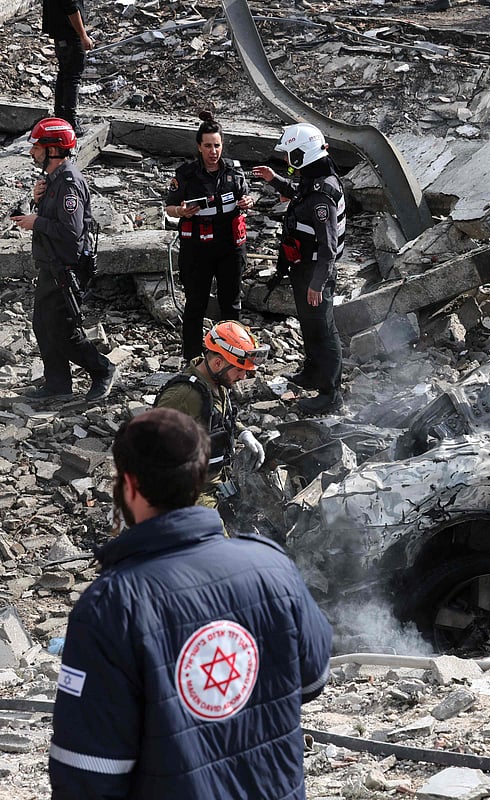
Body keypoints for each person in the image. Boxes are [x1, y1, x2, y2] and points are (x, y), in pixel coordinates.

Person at [48, 407, 333, 798]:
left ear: (128, 485)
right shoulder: (272, 565)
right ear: (198, 478)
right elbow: (312, 679)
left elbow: (87, 771)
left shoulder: (111, 605)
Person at [11, 117, 117, 404]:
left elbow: (71, 232)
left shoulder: (69, 183)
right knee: (42, 326)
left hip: (65, 268)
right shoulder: (53, 180)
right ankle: (58, 383)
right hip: (51, 266)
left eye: (38, 147)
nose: (33, 153)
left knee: (63, 331)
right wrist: (37, 202)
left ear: (54, 150)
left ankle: (103, 369)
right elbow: (54, 217)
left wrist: (37, 222)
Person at [252, 123, 346, 414]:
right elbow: (297, 192)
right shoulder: (315, 177)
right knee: (309, 324)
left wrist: (318, 283)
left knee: (324, 330)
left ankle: (330, 393)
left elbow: (328, 247)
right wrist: (275, 180)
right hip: (302, 267)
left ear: (301, 155)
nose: (287, 161)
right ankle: (312, 371)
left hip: (315, 271)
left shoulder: (322, 196)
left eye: (290, 156)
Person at [164, 112, 253, 361]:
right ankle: (192, 357)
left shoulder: (234, 172)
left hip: (230, 249)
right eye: (208, 146)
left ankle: (231, 354)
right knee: (195, 304)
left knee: (231, 304)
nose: (213, 151)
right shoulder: (186, 174)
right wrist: (181, 211)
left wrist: (248, 201)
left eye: (217, 145)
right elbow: (169, 207)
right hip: (197, 250)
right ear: (199, 147)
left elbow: (247, 197)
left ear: (222, 145)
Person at [154, 320, 267, 511]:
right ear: (218, 362)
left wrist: (242, 433)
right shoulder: (184, 396)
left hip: (216, 481)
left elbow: (214, 418)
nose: (243, 377)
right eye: (240, 370)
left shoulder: (216, 383)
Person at [42, 0, 93, 129]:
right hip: (70, 34)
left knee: (64, 73)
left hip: (60, 35)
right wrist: (83, 36)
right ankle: (70, 121)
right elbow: (71, 8)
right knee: (72, 77)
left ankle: (60, 116)